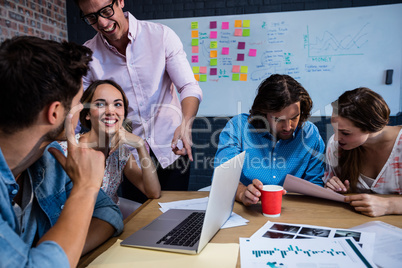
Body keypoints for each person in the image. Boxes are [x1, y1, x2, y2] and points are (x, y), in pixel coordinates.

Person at [0, 36, 124, 267]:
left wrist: (62, 251)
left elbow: (108, 213)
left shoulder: (49, 158)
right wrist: (86, 188)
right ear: (55, 113)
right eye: (78, 104)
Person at [73, 0, 203, 196]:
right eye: (91, 17)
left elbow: (188, 86)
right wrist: (68, 145)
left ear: (120, 2)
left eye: (106, 11)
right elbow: (76, 107)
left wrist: (185, 124)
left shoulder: (161, 36)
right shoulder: (89, 56)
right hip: (128, 156)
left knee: (175, 214)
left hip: (171, 147)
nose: (101, 22)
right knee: (139, 218)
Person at [215, 74, 325, 206]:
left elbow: (315, 185)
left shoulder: (310, 135)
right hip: (245, 209)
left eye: (294, 117)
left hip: (295, 212)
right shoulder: (238, 127)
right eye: (278, 119)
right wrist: (242, 193)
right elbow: (223, 177)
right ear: (263, 113)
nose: (288, 127)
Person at [59, 80, 161, 219]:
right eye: (100, 104)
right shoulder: (66, 151)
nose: (110, 111)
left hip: (108, 226)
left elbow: (153, 192)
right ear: (87, 113)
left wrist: (140, 145)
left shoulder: (120, 153)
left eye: (118, 104)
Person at [324, 87, 402, 217]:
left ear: (370, 127)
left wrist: (389, 205)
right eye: (334, 128)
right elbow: (331, 190)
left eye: (345, 133)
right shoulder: (336, 146)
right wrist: (335, 189)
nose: (336, 138)